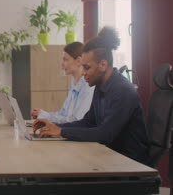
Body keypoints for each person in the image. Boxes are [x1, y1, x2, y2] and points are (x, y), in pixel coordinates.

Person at [33, 27, 150, 164]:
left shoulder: (122, 91)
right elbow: (88, 122)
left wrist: (61, 132)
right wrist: (54, 126)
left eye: (87, 67)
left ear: (103, 65)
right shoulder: (100, 86)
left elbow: (105, 134)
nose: (82, 73)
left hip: (129, 163)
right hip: (110, 156)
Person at [31, 42, 94, 124]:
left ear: (78, 61)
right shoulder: (73, 84)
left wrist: (45, 116)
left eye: (66, 60)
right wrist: (42, 115)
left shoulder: (87, 86)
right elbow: (62, 114)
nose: (62, 64)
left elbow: (77, 120)